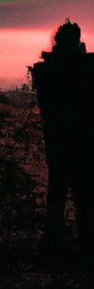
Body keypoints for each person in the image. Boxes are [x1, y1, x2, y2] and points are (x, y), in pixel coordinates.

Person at [29, 20, 94, 254]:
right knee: (84, 195)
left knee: (56, 194)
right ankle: (86, 242)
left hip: (57, 139)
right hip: (84, 139)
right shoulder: (85, 66)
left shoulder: (46, 68)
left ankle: (54, 242)